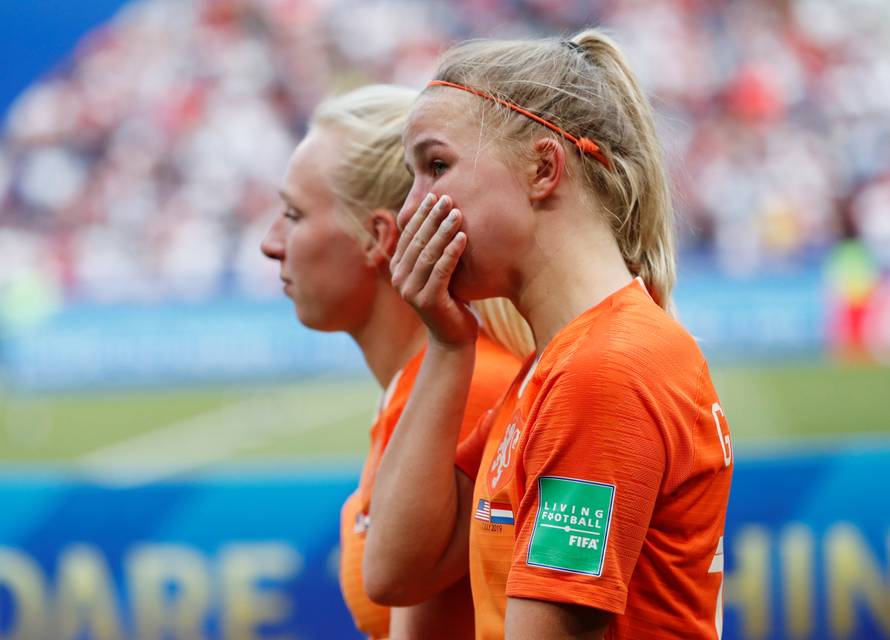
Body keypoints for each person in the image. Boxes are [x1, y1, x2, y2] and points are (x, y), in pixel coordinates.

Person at [365, 30, 733, 639]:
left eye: (436, 166)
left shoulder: (605, 370)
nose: (410, 211)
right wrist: (449, 345)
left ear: (542, 167)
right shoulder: (556, 365)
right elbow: (398, 572)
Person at [260, 85, 530, 639]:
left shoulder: (469, 390)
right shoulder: (426, 386)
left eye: (293, 214)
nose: (271, 243)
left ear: (378, 237)